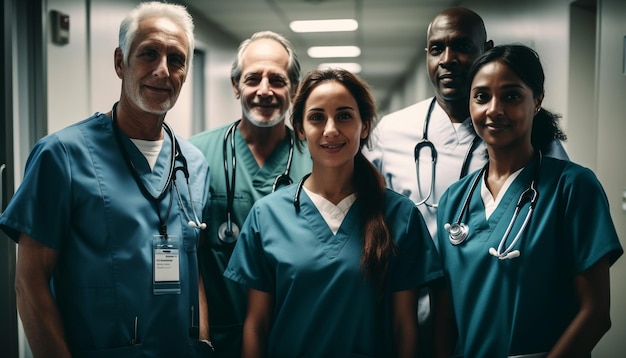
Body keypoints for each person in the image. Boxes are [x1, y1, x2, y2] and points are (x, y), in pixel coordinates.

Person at [0, 2, 214, 357]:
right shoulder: (62, 155)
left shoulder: (193, 163)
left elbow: (196, 269)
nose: (163, 71)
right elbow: (30, 283)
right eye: (149, 53)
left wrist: (202, 343)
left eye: (176, 59)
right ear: (120, 62)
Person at [364, 7, 569, 356]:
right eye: (436, 49)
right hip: (413, 307)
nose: (448, 59)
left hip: (497, 304)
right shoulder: (391, 131)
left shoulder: (530, 139)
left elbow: (559, 220)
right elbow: (368, 211)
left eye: (460, 46)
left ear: (485, 48)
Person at [223, 68, 443, 357]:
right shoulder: (267, 215)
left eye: (344, 116)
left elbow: (405, 327)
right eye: (316, 117)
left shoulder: (399, 215)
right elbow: (256, 325)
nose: (330, 129)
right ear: (300, 129)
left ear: (364, 126)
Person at [434, 44, 623, 357]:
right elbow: (444, 315)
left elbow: (595, 314)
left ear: (537, 101)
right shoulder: (455, 200)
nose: (494, 109)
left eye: (511, 96)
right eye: (481, 96)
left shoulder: (573, 187)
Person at [188, 31, 312, 357]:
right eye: (252, 78)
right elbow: (190, 258)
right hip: (220, 338)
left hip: (297, 336)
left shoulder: (316, 158)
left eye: (277, 80)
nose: (264, 90)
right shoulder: (195, 155)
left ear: (295, 89)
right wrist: (201, 338)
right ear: (235, 86)